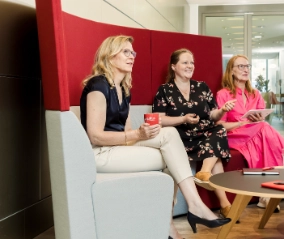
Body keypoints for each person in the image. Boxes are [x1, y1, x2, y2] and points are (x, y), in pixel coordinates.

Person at [80, 36, 230, 239]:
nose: (132, 56)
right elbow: (95, 136)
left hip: (118, 149)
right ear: (109, 54)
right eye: (126, 52)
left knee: (169, 135)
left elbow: (127, 133)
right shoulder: (98, 85)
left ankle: (177, 223)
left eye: (133, 53)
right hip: (101, 153)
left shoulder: (123, 88)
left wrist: (141, 134)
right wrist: (137, 135)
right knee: (172, 157)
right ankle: (189, 212)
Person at [216, 54, 284, 210]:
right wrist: (241, 123)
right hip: (234, 135)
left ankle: (267, 194)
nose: (246, 69)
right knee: (264, 128)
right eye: (241, 66)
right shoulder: (223, 94)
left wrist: (256, 119)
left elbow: (261, 118)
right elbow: (220, 125)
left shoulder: (255, 93)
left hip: (254, 132)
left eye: (248, 66)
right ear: (231, 71)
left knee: (263, 132)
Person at [152, 48, 237, 220]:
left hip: (204, 135)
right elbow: (159, 119)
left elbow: (213, 116)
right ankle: (225, 204)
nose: (190, 66)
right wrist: (183, 119)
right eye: (185, 62)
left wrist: (222, 111)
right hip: (179, 138)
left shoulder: (202, 86)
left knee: (219, 130)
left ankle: (204, 173)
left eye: (192, 62)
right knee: (216, 155)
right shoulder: (164, 90)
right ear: (174, 67)